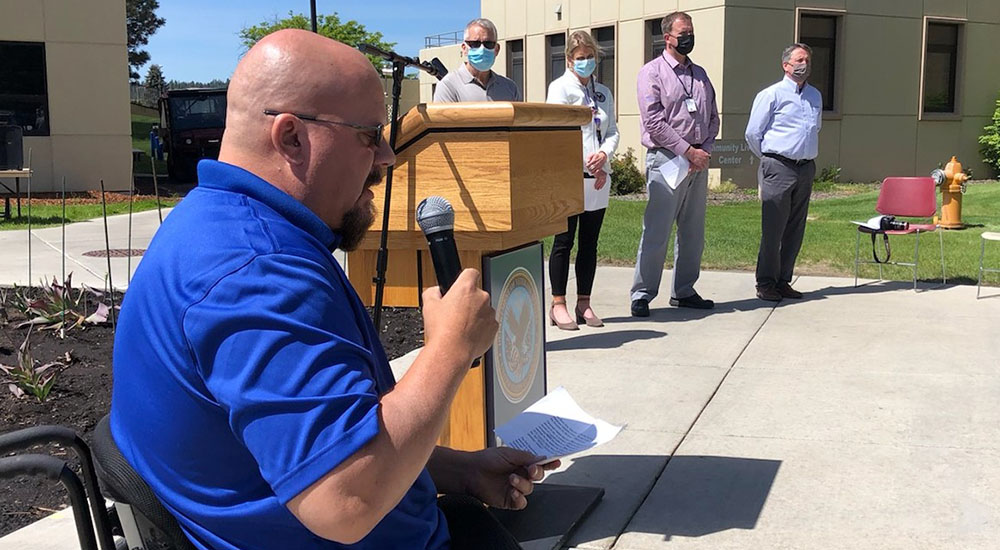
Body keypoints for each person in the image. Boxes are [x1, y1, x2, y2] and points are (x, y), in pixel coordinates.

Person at [110, 30, 557, 550]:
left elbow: (321, 441)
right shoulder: (258, 274)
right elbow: (344, 502)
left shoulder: (220, 226)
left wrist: (460, 470)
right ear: (291, 137)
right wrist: (450, 350)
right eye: (371, 135)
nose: (388, 156)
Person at [630, 11, 720, 317]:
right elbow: (653, 122)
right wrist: (686, 151)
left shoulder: (701, 74)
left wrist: (703, 150)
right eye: (683, 33)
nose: (689, 38)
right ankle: (642, 294)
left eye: (691, 32)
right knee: (657, 230)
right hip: (667, 160)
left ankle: (684, 290)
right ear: (667, 37)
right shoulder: (651, 73)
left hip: (697, 162)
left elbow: (713, 117)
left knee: (693, 231)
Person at [545, 30, 619, 330]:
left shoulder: (603, 93)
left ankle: (584, 303)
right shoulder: (560, 89)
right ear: (569, 60)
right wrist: (586, 162)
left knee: (590, 242)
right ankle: (558, 303)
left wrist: (603, 156)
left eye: (590, 57)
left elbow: (612, 130)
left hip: (599, 178)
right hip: (570, 176)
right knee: (564, 241)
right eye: (580, 58)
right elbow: (557, 134)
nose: (586, 62)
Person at [744, 43, 822, 302]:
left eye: (807, 60)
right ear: (786, 65)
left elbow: (815, 129)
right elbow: (753, 133)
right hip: (778, 165)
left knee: (795, 228)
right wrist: (769, 158)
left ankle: (783, 280)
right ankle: (765, 282)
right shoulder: (771, 95)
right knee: (773, 229)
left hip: (805, 167)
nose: (804, 65)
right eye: (799, 60)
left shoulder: (815, 96)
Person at [433, 18, 521, 102]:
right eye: (475, 44)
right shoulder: (448, 86)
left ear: (497, 49)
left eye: (488, 44)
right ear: (464, 48)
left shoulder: (510, 87)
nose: (482, 49)